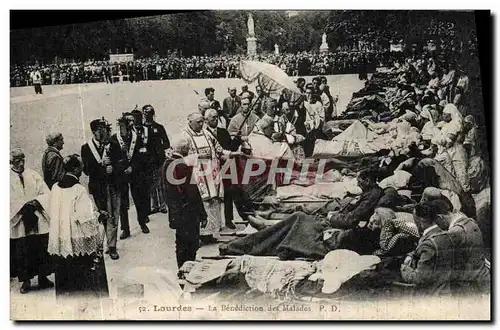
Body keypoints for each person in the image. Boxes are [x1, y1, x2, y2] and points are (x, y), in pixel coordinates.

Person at [47, 154, 109, 298]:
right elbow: (85, 217)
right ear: (76, 170)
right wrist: (99, 216)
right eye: (80, 166)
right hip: (77, 237)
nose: (82, 169)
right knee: (81, 274)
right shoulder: (78, 189)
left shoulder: (55, 187)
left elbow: (51, 209)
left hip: (61, 238)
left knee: (65, 273)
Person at [180, 112, 241, 243]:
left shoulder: (207, 133)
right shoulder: (184, 136)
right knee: (201, 203)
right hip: (197, 174)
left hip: (211, 174)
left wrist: (232, 153)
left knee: (214, 201)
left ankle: (210, 233)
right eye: (198, 122)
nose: (201, 124)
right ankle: (199, 234)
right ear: (190, 122)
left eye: (202, 122)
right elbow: (181, 157)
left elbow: (218, 149)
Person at [10, 148, 53, 294]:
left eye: (23, 160)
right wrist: (21, 207)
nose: (21, 163)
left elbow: (45, 192)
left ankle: (43, 278)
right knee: (23, 251)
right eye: (17, 161)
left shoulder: (33, 175)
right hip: (20, 219)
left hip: (36, 216)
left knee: (40, 247)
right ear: (11, 162)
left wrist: (36, 202)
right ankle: (26, 281)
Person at [161, 137, 207, 270]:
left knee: (181, 244)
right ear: (184, 149)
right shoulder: (182, 165)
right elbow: (193, 193)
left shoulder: (167, 163)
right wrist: (202, 214)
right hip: (189, 213)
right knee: (191, 245)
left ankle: (181, 269)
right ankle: (187, 270)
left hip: (177, 212)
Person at [205, 109, 253, 230]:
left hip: (226, 166)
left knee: (229, 193)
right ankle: (213, 223)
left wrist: (236, 139)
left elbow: (230, 147)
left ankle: (229, 219)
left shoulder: (223, 132)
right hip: (210, 168)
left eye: (216, 117)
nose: (215, 120)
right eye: (212, 118)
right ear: (206, 120)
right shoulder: (204, 133)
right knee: (212, 197)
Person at [80, 118, 120, 260]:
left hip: (113, 185)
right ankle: (102, 244)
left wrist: (113, 167)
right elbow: (86, 170)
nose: (103, 132)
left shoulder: (113, 145)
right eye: (100, 130)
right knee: (102, 216)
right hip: (98, 188)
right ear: (94, 131)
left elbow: (121, 162)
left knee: (113, 216)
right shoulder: (86, 148)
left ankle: (112, 246)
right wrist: (101, 165)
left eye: (104, 129)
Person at [432, 200, 490, 295]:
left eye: (436, 222)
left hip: (469, 288)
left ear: (440, 217)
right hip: (482, 279)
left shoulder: (454, 232)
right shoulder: (469, 221)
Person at [400, 201, 454, 296]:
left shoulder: (429, 245)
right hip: (446, 289)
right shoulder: (446, 235)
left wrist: (404, 268)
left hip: (431, 295)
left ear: (421, 219)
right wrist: (410, 255)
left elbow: (419, 278)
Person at [142, 104, 170, 214]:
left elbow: (166, 143)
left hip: (159, 159)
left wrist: (158, 148)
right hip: (147, 161)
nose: (146, 115)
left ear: (152, 114)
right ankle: (154, 205)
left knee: (160, 183)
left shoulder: (159, 127)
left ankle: (163, 205)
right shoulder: (141, 129)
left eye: (148, 113)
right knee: (151, 184)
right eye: (144, 113)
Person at [129, 109, 153, 233]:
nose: (137, 120)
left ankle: (144, 215)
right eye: (134, 118)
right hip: (133, 170)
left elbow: (152, 146)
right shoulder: (128, 133)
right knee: (137, 196)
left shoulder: (147, 130)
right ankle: (140, 220)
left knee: (145, 194)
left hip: (145, 168)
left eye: (139, 117)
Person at [463, 115, 489, 193]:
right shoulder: (470, 131)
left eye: (467, 123)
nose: (465, 125)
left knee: (474, 171)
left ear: (470, 123)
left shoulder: (473, 131)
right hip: (473, 154)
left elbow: (470, 144)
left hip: (474, 154)